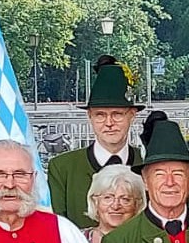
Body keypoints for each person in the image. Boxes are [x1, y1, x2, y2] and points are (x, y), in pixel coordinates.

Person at [46, 57, 144, 228]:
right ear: (89, 116)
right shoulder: (63, 168)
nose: (109, 123)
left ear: (132, 115)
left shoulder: (147, 165)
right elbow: (58, 227)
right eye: (100, 115)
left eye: (117, 114)